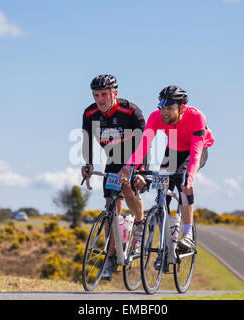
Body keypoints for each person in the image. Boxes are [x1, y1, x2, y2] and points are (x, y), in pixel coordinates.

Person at [121, 85, 214, 254]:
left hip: (195, 149)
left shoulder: (196, 117)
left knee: (183, 182)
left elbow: (195, 153)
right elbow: (143, 146)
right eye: (162, 107)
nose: (164, 113)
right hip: (173, 150)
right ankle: (171, 228)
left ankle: (187, 236)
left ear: (182, 108)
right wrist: (129, 165)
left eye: (170, 108)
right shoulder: (155, 117)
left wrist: (190, 178)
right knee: (161, 187)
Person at [81, 74, 149, 280]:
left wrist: (135, 167)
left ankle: (139, 222)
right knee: (110, 207)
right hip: (113, 159)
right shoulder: (90, 113)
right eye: (96, 95)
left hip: (136, 157)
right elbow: (86, 142)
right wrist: (88, 164)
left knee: (127, 187)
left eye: (104, 94)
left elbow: (144, 142)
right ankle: (110, 257)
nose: (100, 99)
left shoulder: (131, 111)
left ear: (115, 93)